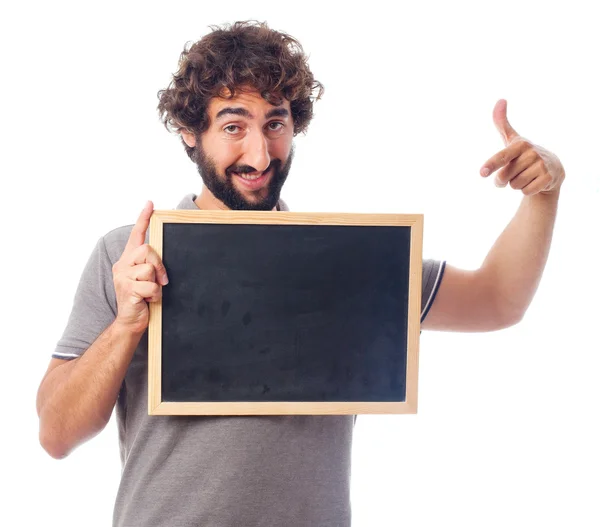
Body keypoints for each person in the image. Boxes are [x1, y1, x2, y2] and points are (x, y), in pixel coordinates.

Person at [36, 20, 565, 527]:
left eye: (276, 124)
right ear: (189, 133)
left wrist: (543, 196)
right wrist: (127, 323)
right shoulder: (128, 255)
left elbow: (498, 301)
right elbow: (56, 434)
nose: (259, 153)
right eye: (233, 126)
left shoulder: (350, 259)